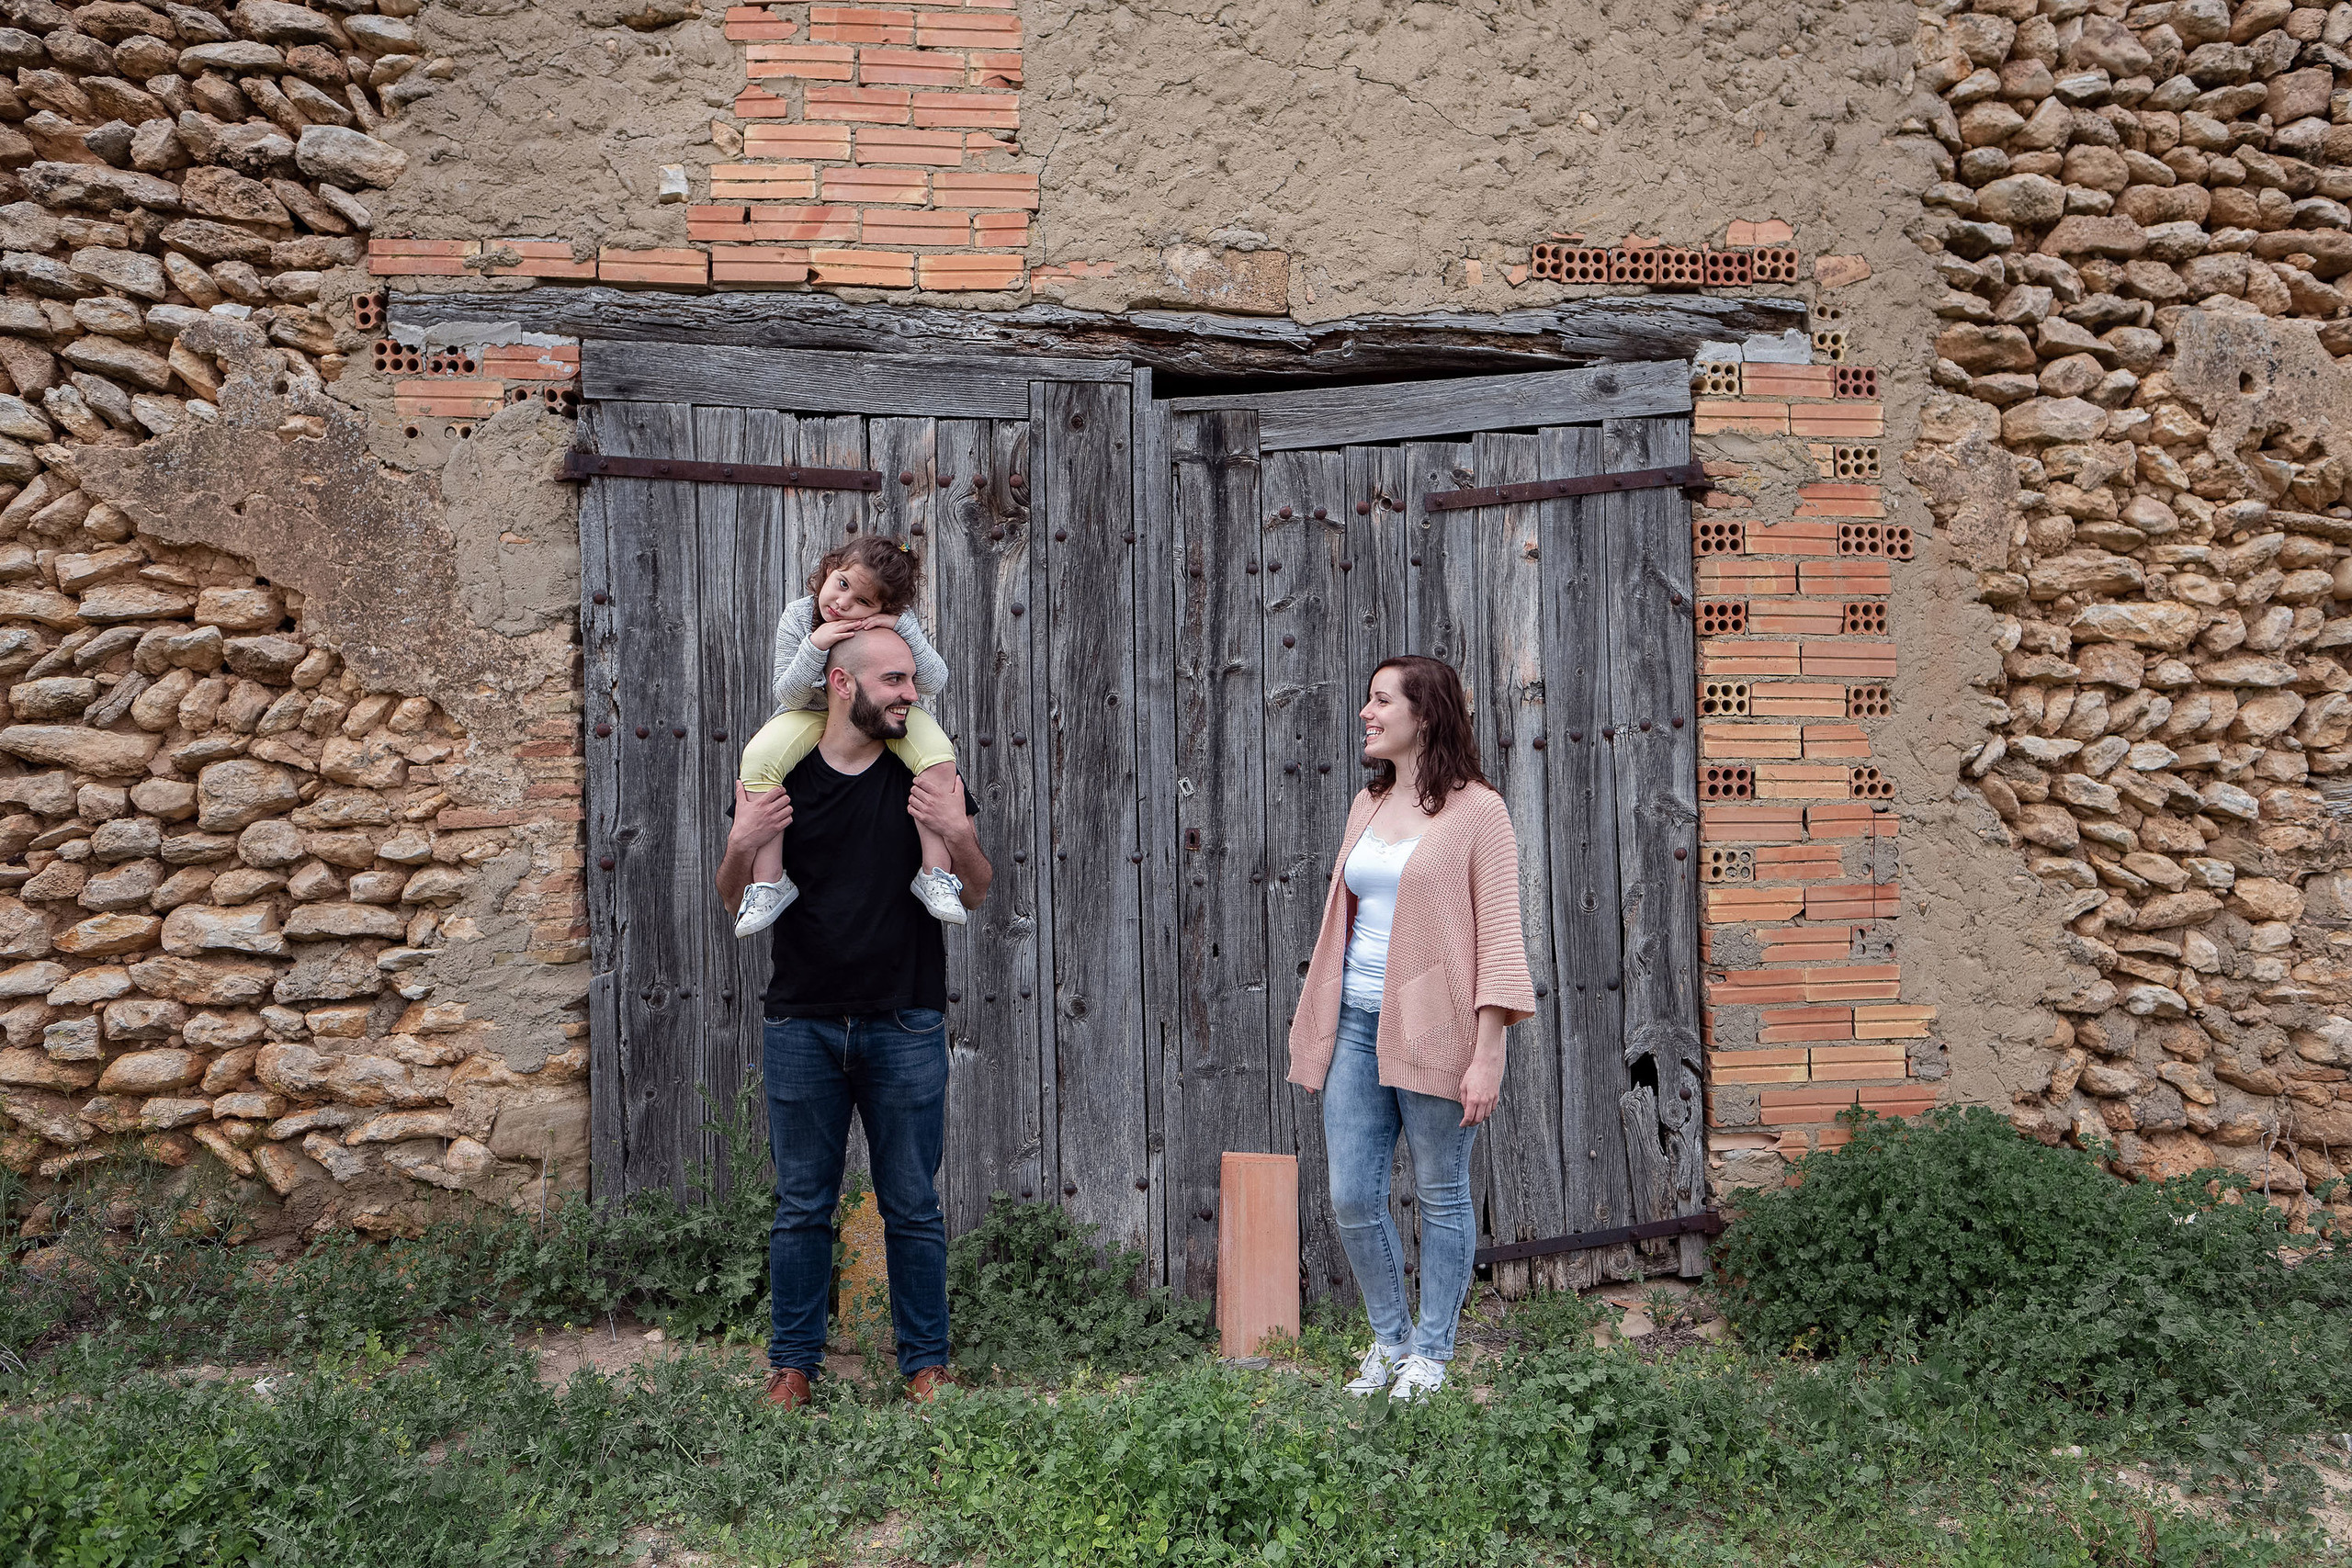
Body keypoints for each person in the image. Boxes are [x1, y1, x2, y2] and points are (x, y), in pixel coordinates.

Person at [717, 624, 992, 1411]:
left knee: (911, 1203)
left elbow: (975, 891)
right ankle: (792, 1367)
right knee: (802, 1206)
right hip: (801, 1023)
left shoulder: (925, 772)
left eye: (911, 679)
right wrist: (742, 842)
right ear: (842, 684)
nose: (912, 693)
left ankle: (926, 1365)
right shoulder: (782, 773)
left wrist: (959, 830)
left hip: (905, 1019)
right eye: (895, 680)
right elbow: (734, 897)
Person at [1286, 655, 1535, 1402]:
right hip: (1356, 1025)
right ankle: (1391, 1340)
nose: (1366, 712)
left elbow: (1500, 938)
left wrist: (1489, 1053)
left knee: (1442, 1193)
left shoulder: (1480, 812)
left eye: (1381, 700)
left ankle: (1432, 1352)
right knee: (1351, 1195)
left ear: (1424, 714)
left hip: (1438, 1031)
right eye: (1368, 700)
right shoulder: (1367, 803)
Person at [731, 536, 967, 937]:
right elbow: (788, 694)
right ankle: (769, 882)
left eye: (862, 601)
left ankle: (935, 874)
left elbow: (932, 681)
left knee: (939, 755)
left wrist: (902, 627)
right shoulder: (799, 616)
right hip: (808, 712)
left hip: (876, 711)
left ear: (881, 608)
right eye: (842, 584)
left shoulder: (894, 623)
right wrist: (815, 644)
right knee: (758, 757)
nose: (842, 604)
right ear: (830, 568)